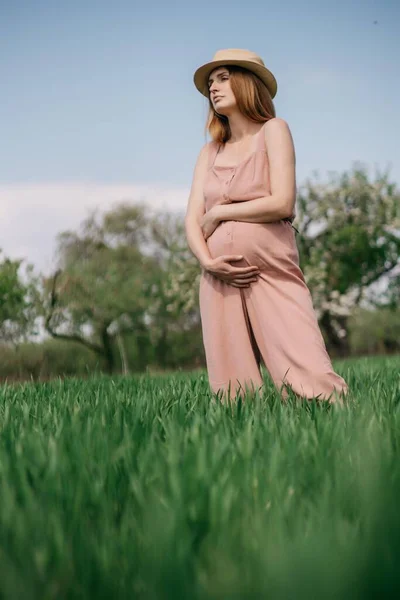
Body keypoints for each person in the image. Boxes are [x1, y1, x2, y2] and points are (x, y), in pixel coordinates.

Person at [185, 48, 348, 404]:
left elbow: (282, 201)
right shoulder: (209, 152)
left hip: (270, 267)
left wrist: (221, 214)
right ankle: (248, 446)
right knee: (233, 387)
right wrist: (208, 262)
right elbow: (191, 218)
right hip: (218, 274)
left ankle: (341, 428)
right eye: (210, 82)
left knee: (305, 363)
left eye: (223, 77)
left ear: (247, 83)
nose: (213, 88)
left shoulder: (273, 131)